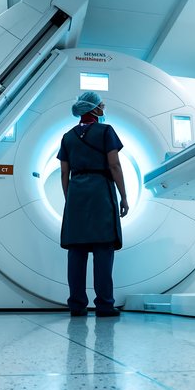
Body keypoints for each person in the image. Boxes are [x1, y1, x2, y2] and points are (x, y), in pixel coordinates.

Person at [57, 91, 129, 317]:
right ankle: (105, 305)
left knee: (76, 252)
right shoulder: (106, 131)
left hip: (77, 192)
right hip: (100, 191)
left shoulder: (67, 137)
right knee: (103, 249)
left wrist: (70, 200)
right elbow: (114, 165)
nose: (103, 108)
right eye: (101, 105)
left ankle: (77, 306)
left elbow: (64, 173)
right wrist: (124, 196)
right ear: (94, 109)